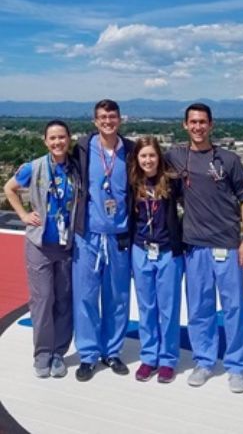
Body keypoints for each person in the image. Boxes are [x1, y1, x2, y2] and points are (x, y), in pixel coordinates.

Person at [166, 102, 243, 393]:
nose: (198, 127)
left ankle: (236, 366)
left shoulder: (228, 159)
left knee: (234, 308)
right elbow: (144, 159)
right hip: (194, 246)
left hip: (227, 244)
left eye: (203, 122)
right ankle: (204, 361)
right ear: (184, 125)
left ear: (211, 125)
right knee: (200, 308)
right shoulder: (176, 156)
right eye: (193, 122)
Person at [4, 120, 79, 378]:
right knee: (43, 299)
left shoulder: (76, 168)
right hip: (39, 244)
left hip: (67, 244)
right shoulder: (34, 167)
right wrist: (23, 215)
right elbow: (9, 188)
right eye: (53, 138)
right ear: (45, 141)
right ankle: (42, 354)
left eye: (62, 137)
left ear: (69, 139)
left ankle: (59, 352)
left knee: (64, 300)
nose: (58, 142)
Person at [72, 99, 135, 382]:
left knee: (117, 297)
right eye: (102, 117)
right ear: (95, 121)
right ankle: (88, 355)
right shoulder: (84, 148)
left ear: (120, 119)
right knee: (85, 296)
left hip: (119, 236)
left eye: (112, 116)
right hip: (88, 235)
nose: (107, 121)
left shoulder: (132, 151)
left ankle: (112, 351)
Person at [128, 137, 184, 383]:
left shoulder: (171, 182)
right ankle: (149, 356)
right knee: (146, 307)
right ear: (137, 159)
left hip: (168, 252)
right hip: (141, 249)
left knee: (168, 309)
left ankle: (168, 358)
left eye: (152, 155)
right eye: (143, 156)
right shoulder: (132, 183)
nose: (148, 160)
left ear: (159, 157)